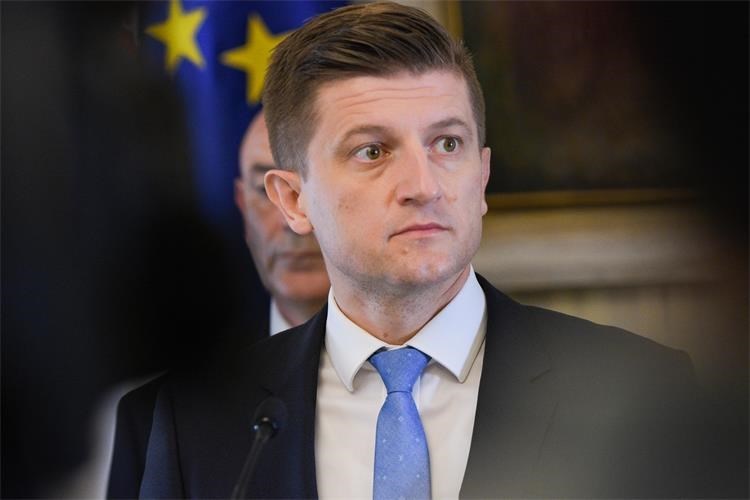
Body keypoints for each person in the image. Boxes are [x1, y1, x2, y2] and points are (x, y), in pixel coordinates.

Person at [134, 3, 729, 498]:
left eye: (447, 143)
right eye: (372, 151)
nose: (423, 185)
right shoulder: (197, 419)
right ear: (292, 200)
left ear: (482, 176)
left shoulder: (644, 392)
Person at [107, 112, 330, 498]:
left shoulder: (411, 384)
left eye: (305, 187)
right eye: (266, 190)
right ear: (242, 206)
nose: (289, 220)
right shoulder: (159, 414)